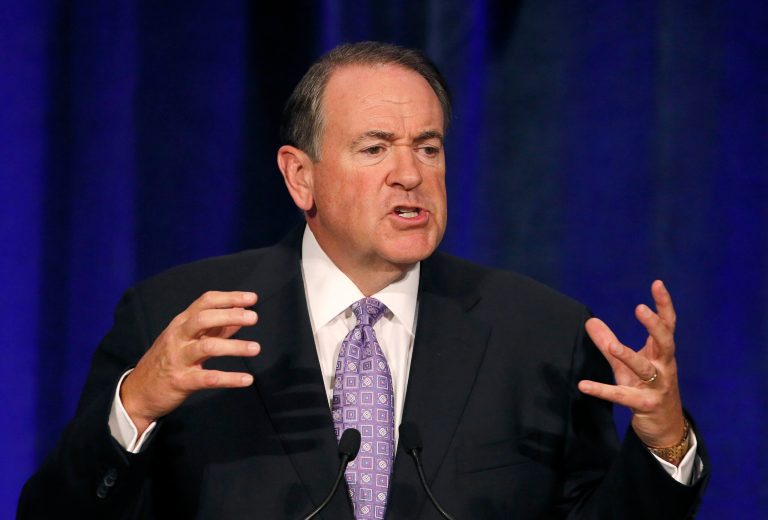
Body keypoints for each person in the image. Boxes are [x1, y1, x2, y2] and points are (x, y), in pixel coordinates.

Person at [19, 41, 708, 519]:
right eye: (375, 148)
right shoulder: (179, 321)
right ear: (300, 177)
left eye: (428, 148)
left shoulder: (541, 334)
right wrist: (135, 406)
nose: (410, 174)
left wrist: (664, 443)